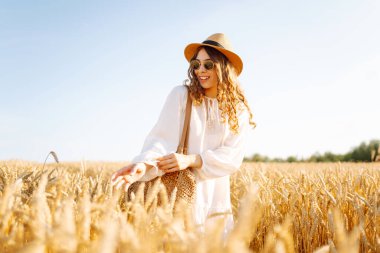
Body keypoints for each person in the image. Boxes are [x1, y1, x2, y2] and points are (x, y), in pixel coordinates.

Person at [111, 33, 255, 235]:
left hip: (216, 200)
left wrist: (191, 160)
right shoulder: (181, 96)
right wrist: (143, 164)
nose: (200, 71)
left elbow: (232, 157)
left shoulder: (238, 110)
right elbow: (161, 139)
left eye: (208, 65)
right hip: (179, 197)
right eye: (196, 65)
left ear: (223, 67)